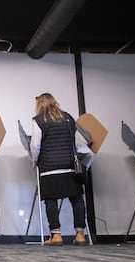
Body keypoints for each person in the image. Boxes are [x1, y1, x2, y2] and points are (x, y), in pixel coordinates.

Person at [30, 93, 88, 246]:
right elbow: (79, 141)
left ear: (40, 104)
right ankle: (80, 234)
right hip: (70, 166)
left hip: (49, 168)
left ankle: (56, 235)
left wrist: (35, 161)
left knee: (51, 200)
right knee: (76, 199)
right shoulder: (68, 118)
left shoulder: (39, 120)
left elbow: (35, 145)